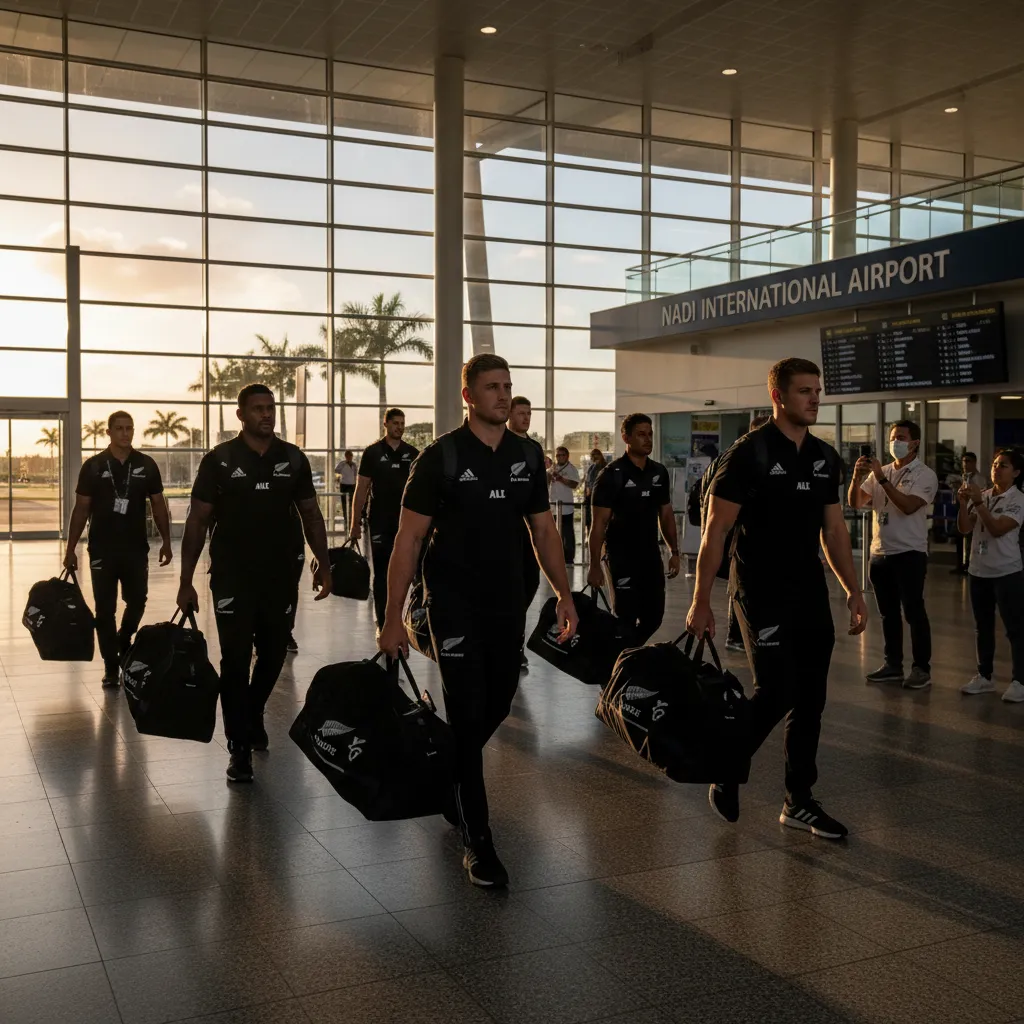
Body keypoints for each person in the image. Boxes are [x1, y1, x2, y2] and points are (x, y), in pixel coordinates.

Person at [378, 354, 578, 889]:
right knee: (468, 714)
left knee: (497, 698)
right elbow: (409, 540)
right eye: (492, 388)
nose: (503, 396)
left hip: (506, 601)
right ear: (468, 396)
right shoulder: (439, 458)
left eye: (508, 387)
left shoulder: (528, 456)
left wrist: (564, 593)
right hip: (452, 603)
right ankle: (478, 838)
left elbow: (543, 532)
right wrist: (392, 617)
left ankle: (451, 774)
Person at [687, 357, 868, 840]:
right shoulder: (749, 454)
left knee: (811, 700)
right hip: (759, 593)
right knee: (778, 689)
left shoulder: (826, 457)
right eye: (805, 391)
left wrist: (853, 589)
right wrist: (701, 600)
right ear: (779, 396)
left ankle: (799, 801)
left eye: (817, 390)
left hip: (808, 592)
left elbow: (834, 530)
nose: (815, 398)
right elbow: (716, 531)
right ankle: (727, 765)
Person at [176, 384, 332, 783]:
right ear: (240, 415)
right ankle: (239, 746)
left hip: (281, 573)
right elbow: (197, 521)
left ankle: (251, 710)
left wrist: (324, 562)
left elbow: (312, 516)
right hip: (232, 575)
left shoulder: (292, 459)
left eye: (271, 408)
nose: (267, 414)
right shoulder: (220, 461)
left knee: (275, 652)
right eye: (258, 409)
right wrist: (186, 579)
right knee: (233, 657)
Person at [64, 411, 172, 687]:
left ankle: (123, 641)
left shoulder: (146, 465)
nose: (125, 433)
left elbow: (158, 505)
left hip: (136, 549)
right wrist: (71, 548)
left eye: (129, 428)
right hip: (102, 550)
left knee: (137, 601)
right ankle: (111, 666)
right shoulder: (94, 466)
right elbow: (81, 509)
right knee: (104, 610)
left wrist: (167, 541)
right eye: (120, 429)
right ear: (109, 432)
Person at [849, 420, 938, 689]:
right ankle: (893, 665)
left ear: (914, 443)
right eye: (892, 437)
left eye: (900, 437)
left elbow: (909, 506)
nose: (894, 442)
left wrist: (883, 480)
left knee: (914, 611)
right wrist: (856, 476)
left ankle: (921, 668)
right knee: (888, 614)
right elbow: (855, 502)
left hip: (909, 553)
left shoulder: (924, 474)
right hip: (880, 553)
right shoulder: (881, 471)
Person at [588, 413, 680, 644]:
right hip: (620, 558)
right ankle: (619, 667)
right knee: (625, 618)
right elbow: (598, 524)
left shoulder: (659, 472)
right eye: (641, 434)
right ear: (626, 437)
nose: (648, 439)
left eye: (650, 434)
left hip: (650, 556)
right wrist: (594, 566)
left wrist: (675, 552)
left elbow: (666, 515)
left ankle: (620, 658)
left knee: (654, 617)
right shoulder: (610, 475)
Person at [696, 414, 772, 655]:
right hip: (735, 536)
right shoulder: (740, 461)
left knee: (737, 584)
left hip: (726, 535)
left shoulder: (725, 460)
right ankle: (737, 633)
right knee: (740, 584)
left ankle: (737, 633)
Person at [958, 449, 1024, 702]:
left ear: (1016, 473)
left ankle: (1019, 680)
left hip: (1007, 571)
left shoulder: (1018, 499)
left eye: (1004, 465)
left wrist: (977, 503)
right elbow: (965, 528)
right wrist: (964, 504)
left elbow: (997, 529)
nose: (996, 468)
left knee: (1015, 628)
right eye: (995, 463)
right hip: (979, 570)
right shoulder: (984, 495)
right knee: (982, 627)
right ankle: (984, 676)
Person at [350, 408, 419, 629]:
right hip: (379, 521)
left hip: (406, 524)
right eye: (395, 423)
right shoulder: (372, 453)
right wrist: (354, 525)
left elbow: (421, 490)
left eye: (402, 423)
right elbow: (361, 490)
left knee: (409, 570)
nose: (399, 427)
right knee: (382, 573)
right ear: (385, 424)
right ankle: (383, 621)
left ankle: (406, 617)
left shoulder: (413, 453)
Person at [509, 395, 546, 673]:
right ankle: (510, 646)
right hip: (504, 528)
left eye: (528, 413)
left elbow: (539, 497)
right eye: (521, 413)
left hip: (528, 530)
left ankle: (513, 638)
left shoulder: (534, 449)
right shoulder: (500, 445)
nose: (526, 417)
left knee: (530, 583)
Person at [947, 452, 986, 574]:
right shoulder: (961, 477)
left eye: (968, 461)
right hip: (962, 509)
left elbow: (980, 495)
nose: (965, 464)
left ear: (974, 462)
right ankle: (960, 565)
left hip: (974, 511)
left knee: (971, 539)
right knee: (959, 538)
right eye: (964, 461)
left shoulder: (980, 479)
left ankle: (969, 565)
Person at [549, 446, 580, 563]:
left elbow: (574, 484)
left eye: (562, 455)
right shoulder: (553, 467)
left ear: (567, 456)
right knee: (555, 533)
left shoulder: (571, 469)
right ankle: (557, 555)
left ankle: (569, 558)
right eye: (558, 455)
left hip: (566, 506)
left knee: (567, 533)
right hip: (554, 506)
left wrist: (561, 479)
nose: (560, 457)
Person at [583, 448, 606, 534]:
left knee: (600, 520)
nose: (594, 457)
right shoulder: (591, 468)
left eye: (596, 454)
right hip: (590, 496)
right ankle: (588, 536)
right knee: (589, 520)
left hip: (601, 497)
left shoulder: (605, 467)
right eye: (592, 455)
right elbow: (587, 482)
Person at [335, 450, 358, 533]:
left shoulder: (354, 465)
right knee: (344, 504)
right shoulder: (342, 463)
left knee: (352, 504)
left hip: (352, 485)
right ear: (346, 456)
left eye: (350, 456)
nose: (349, 457)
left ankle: (351, 523)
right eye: (348, 456)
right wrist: (338, 477)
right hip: (344, 485)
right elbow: (336, 470)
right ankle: (346, 523)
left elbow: (356, 474)